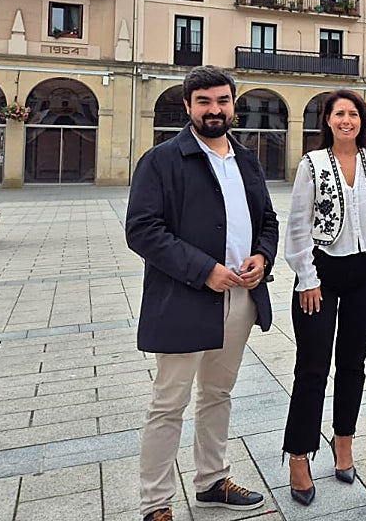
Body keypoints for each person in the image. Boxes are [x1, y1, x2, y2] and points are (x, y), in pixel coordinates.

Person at [126, 66, 278, 521]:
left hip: (241, 298)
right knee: (169, 403)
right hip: (185, 298)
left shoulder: (246, 160)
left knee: (218, 394)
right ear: (188, 106)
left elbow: (266, 220)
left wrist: (262, 257)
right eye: (205, 102)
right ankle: (155, 504)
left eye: (223, 101)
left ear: (234, 104)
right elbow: (143, 230)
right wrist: (203, 270)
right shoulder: (162, 160)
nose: (215, 110)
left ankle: (212, 480)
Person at [282, 90, 366, 505]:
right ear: (327, 120)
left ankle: (343, 441)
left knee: (352, 365)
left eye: (353, 113)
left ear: (362, 120)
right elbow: (297, 224)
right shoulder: (313, 163)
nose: (347, 120)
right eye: (339, 113)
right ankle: (298, 454)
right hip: (321, 272)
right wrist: (306, 278)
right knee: (311, 369)